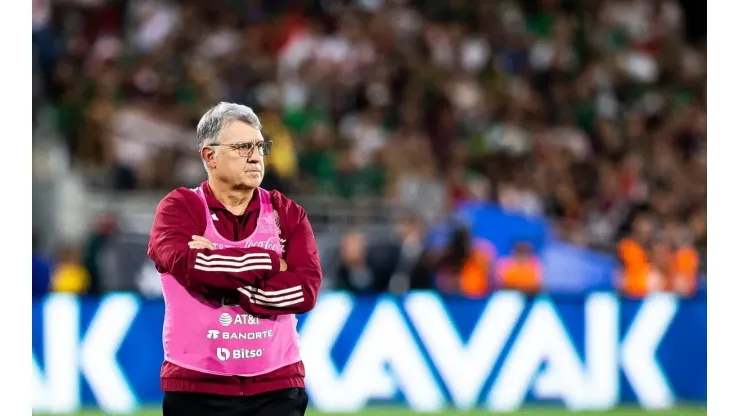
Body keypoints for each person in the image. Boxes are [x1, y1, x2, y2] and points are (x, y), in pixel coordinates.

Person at [147, 102, 322, 416]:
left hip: (278, 389)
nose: (255, 156)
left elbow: (305, 291)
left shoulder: (287, 212)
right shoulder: (179, 208)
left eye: (260, 146)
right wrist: (272, 262)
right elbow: (192, 268)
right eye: (242, 147)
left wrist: (223, 276)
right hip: (198, 388)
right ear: (209, 156)